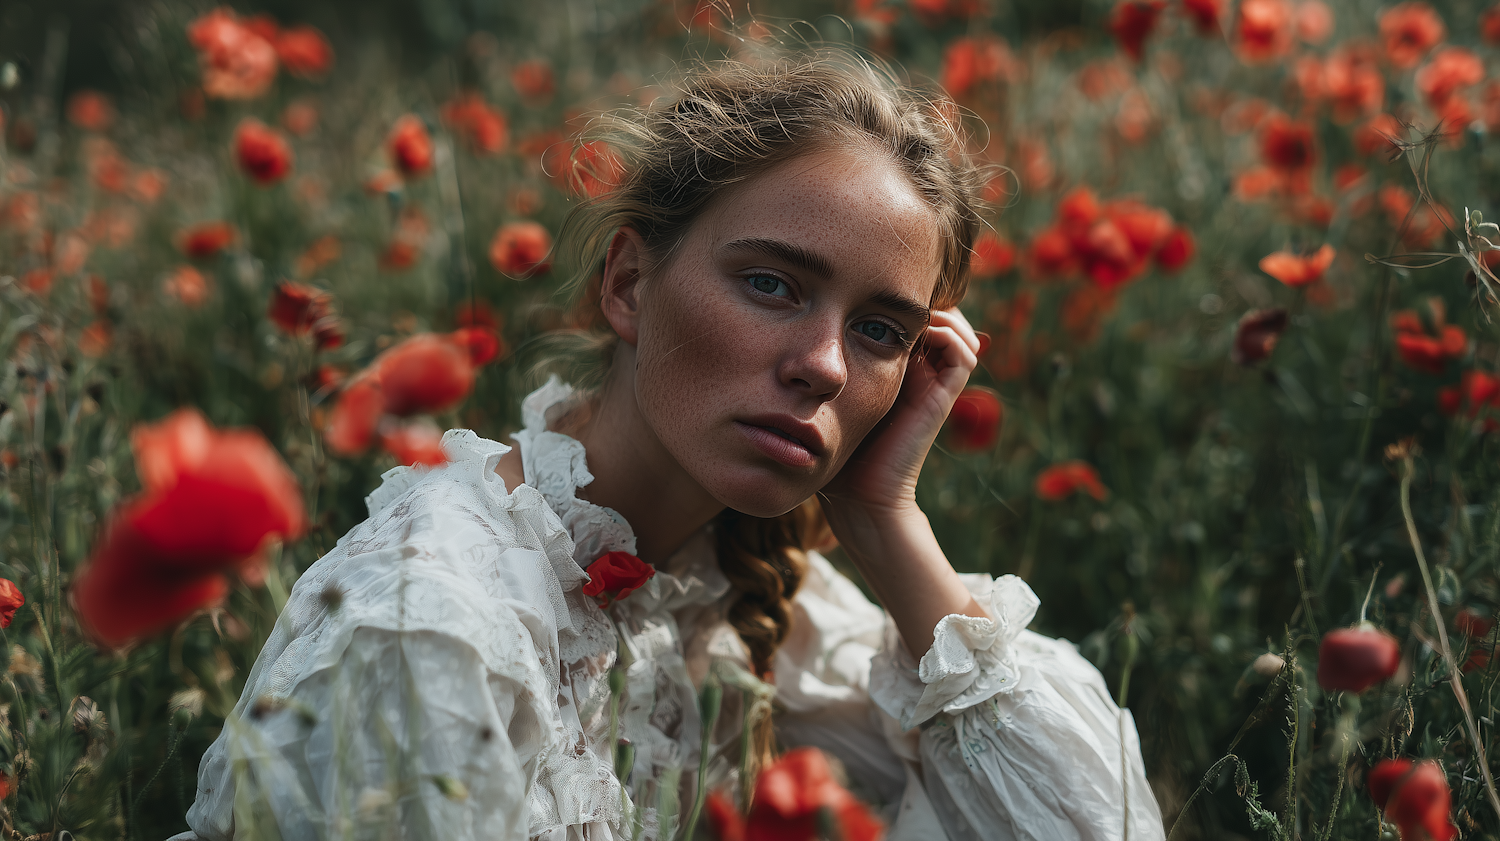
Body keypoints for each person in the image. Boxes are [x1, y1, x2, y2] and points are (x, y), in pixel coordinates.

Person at [178, 54, 1164, 841]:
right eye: (772, 284)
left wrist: (882, 515)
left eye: (879, 331)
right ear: (628, 285)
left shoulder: (729, 585)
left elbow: (1094, 821)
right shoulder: (433, 626)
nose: (825, 366)